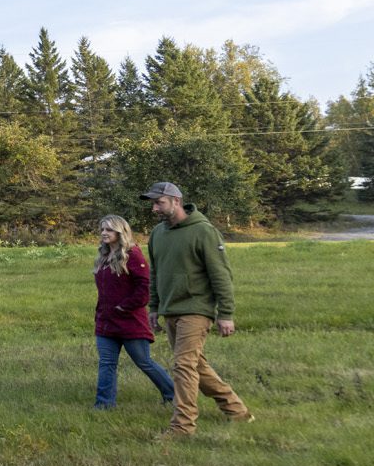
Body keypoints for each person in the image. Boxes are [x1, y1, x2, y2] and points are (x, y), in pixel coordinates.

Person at [143, 181, 252, 438]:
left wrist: (226, 314)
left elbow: (221, 275)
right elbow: (156, 274)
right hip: (170, 310)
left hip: (196, 309)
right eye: (153, 204)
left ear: (176, 200)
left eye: (159, 203)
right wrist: (154, 307)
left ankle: (183, 427)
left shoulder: (204, 231)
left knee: (182, 366)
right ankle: (237, 411)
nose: (154, 209)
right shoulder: (158, 234)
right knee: (195, 366)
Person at [90, 215, 175, 410]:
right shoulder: (103, 256)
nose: (104, 233)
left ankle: (173, 394)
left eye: (109, 230)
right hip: (105, 322)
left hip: (130, 321)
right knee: (106, 363)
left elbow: (144, 288)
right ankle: (104, 405)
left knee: (143, 361)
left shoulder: (133, 254)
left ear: (120, 232)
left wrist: (124, 307)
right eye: (102, 229)